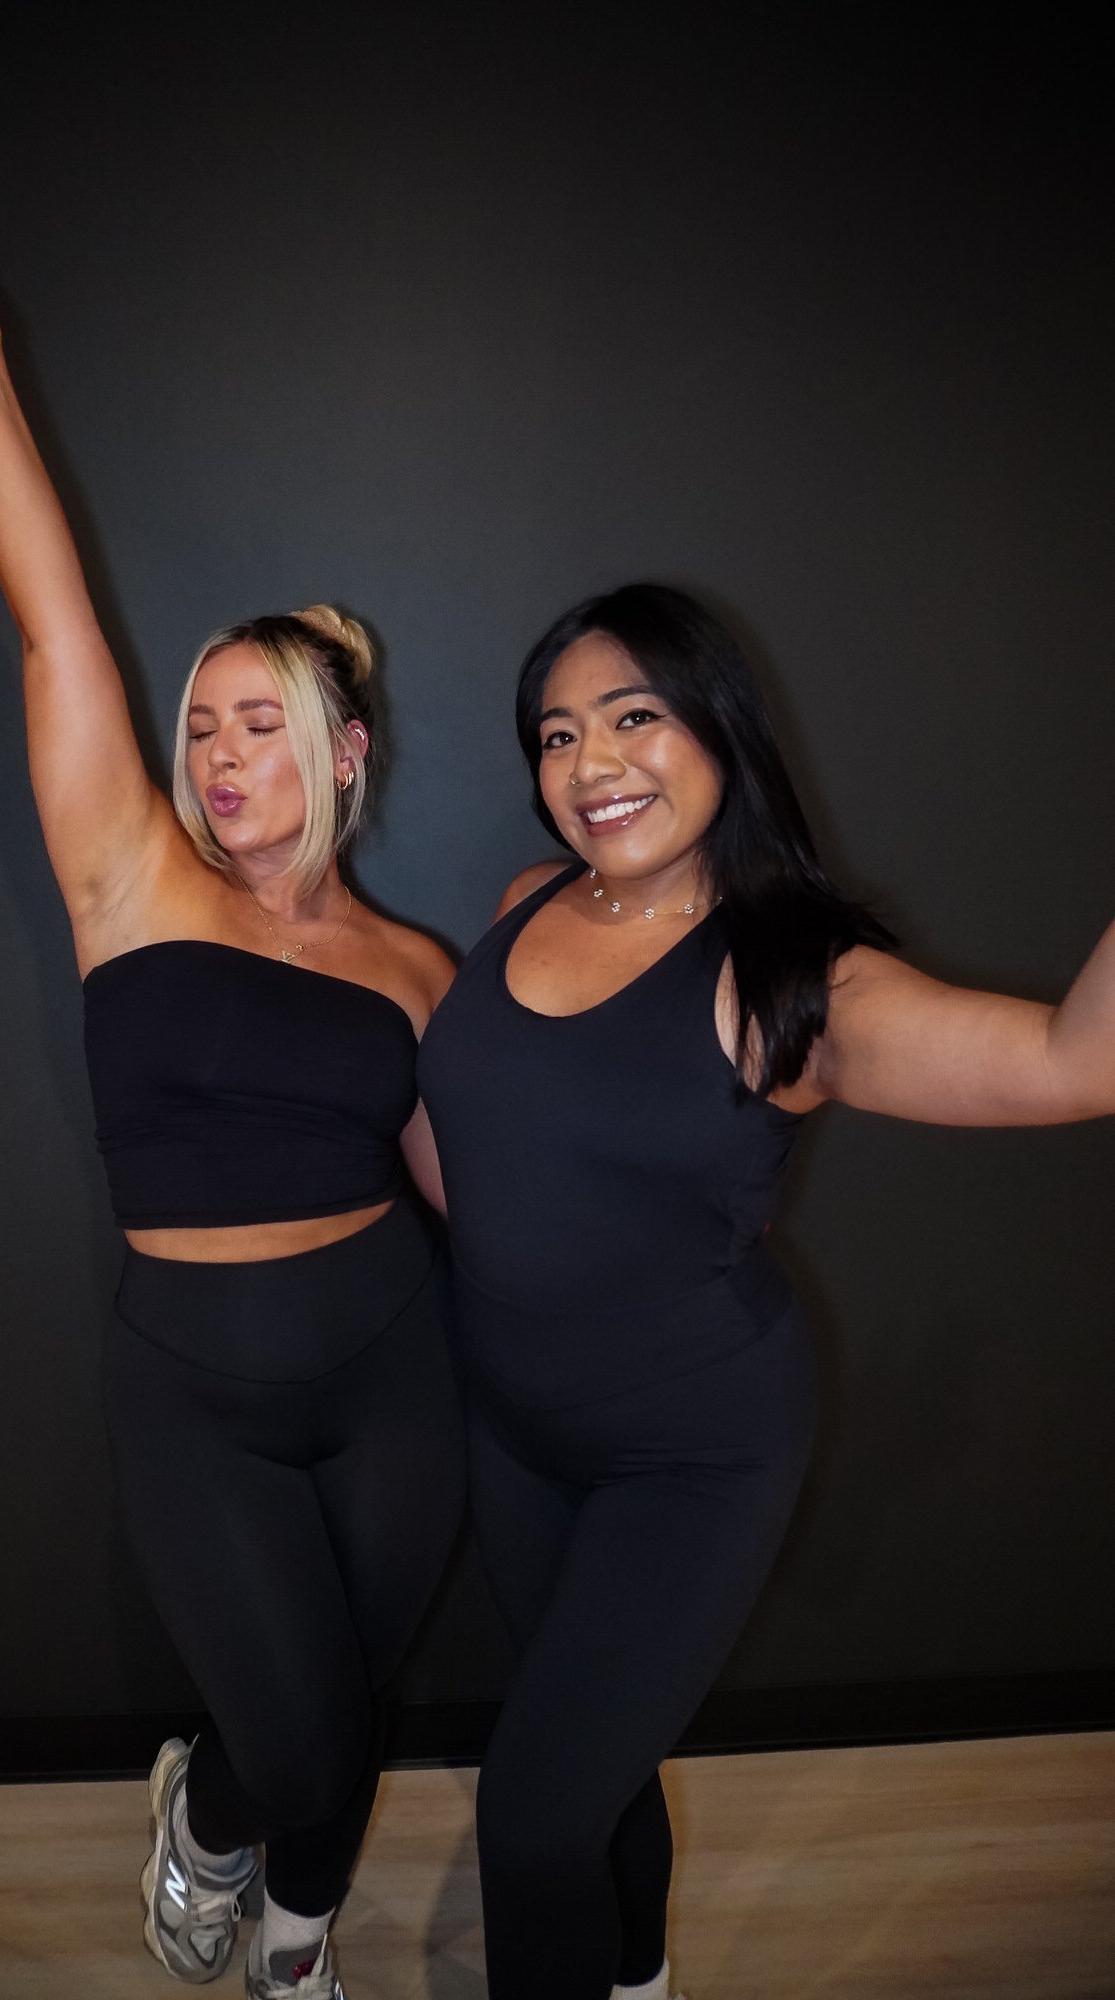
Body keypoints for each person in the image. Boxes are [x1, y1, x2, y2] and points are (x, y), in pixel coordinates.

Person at [0, 237, 465, 1999]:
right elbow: (55, 629)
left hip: (394, 1366)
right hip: (199, 1393)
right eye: (202, 723)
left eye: (263, 721)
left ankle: (295, 1952)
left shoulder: (418, 967)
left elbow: (464, 1192)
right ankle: (205, 1825)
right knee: (306, 1738)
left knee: (354, 1719)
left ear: (344, 755)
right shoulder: (131, 877)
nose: (220, 749)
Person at [416, 581, 1115, 2000]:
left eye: (632, 716)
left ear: (718, 729)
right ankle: (641, 1978)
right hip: (510, 1423)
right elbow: (480, 1145)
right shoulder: (520, 905)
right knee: (593, 1771)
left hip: (689, 1448)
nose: (589, 762)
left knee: (528, 1817)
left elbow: (1073, 1061)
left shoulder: (791, 975)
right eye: (554, 735)